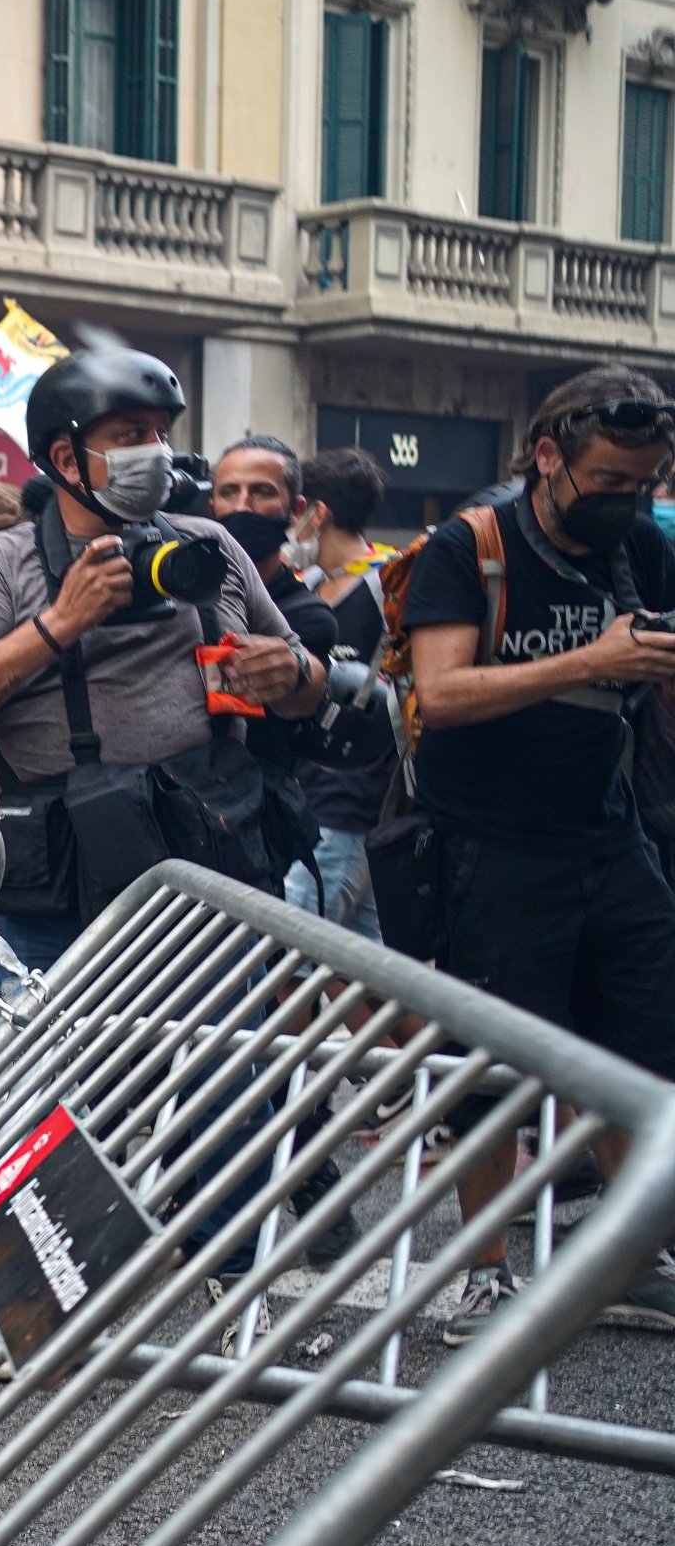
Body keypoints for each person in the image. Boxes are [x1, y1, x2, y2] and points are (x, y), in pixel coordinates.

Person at [397, 365, 675, 1340]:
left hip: (610, 833)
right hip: (492, 847)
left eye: (642, 484)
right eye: (607, 483)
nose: (626, 503)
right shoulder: (468, 544)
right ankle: (483, 1269)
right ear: (548, 456)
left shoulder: (640, 546)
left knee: (645, 1050)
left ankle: (634, 1252)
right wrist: (594, 661)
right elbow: (443, 691)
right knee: (499, 1068)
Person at [0, 341, 324, 973]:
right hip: (60, 893)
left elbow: (307, 678)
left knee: (219, 1068)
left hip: (208, 865)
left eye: (162, 433)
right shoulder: (3, 562)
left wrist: (292, 673)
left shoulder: (208, 543)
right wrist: (60, 623)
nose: (157, 452)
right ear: (66, 458)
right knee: (49, 1070)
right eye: (132, 435)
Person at [282, 445, 398, 937]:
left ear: (317, 512)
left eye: (294, 506)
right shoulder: (305, 583)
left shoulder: (389, 583)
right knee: (365, 978)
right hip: (308, 794)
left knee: (288, 961)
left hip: (351, 800)